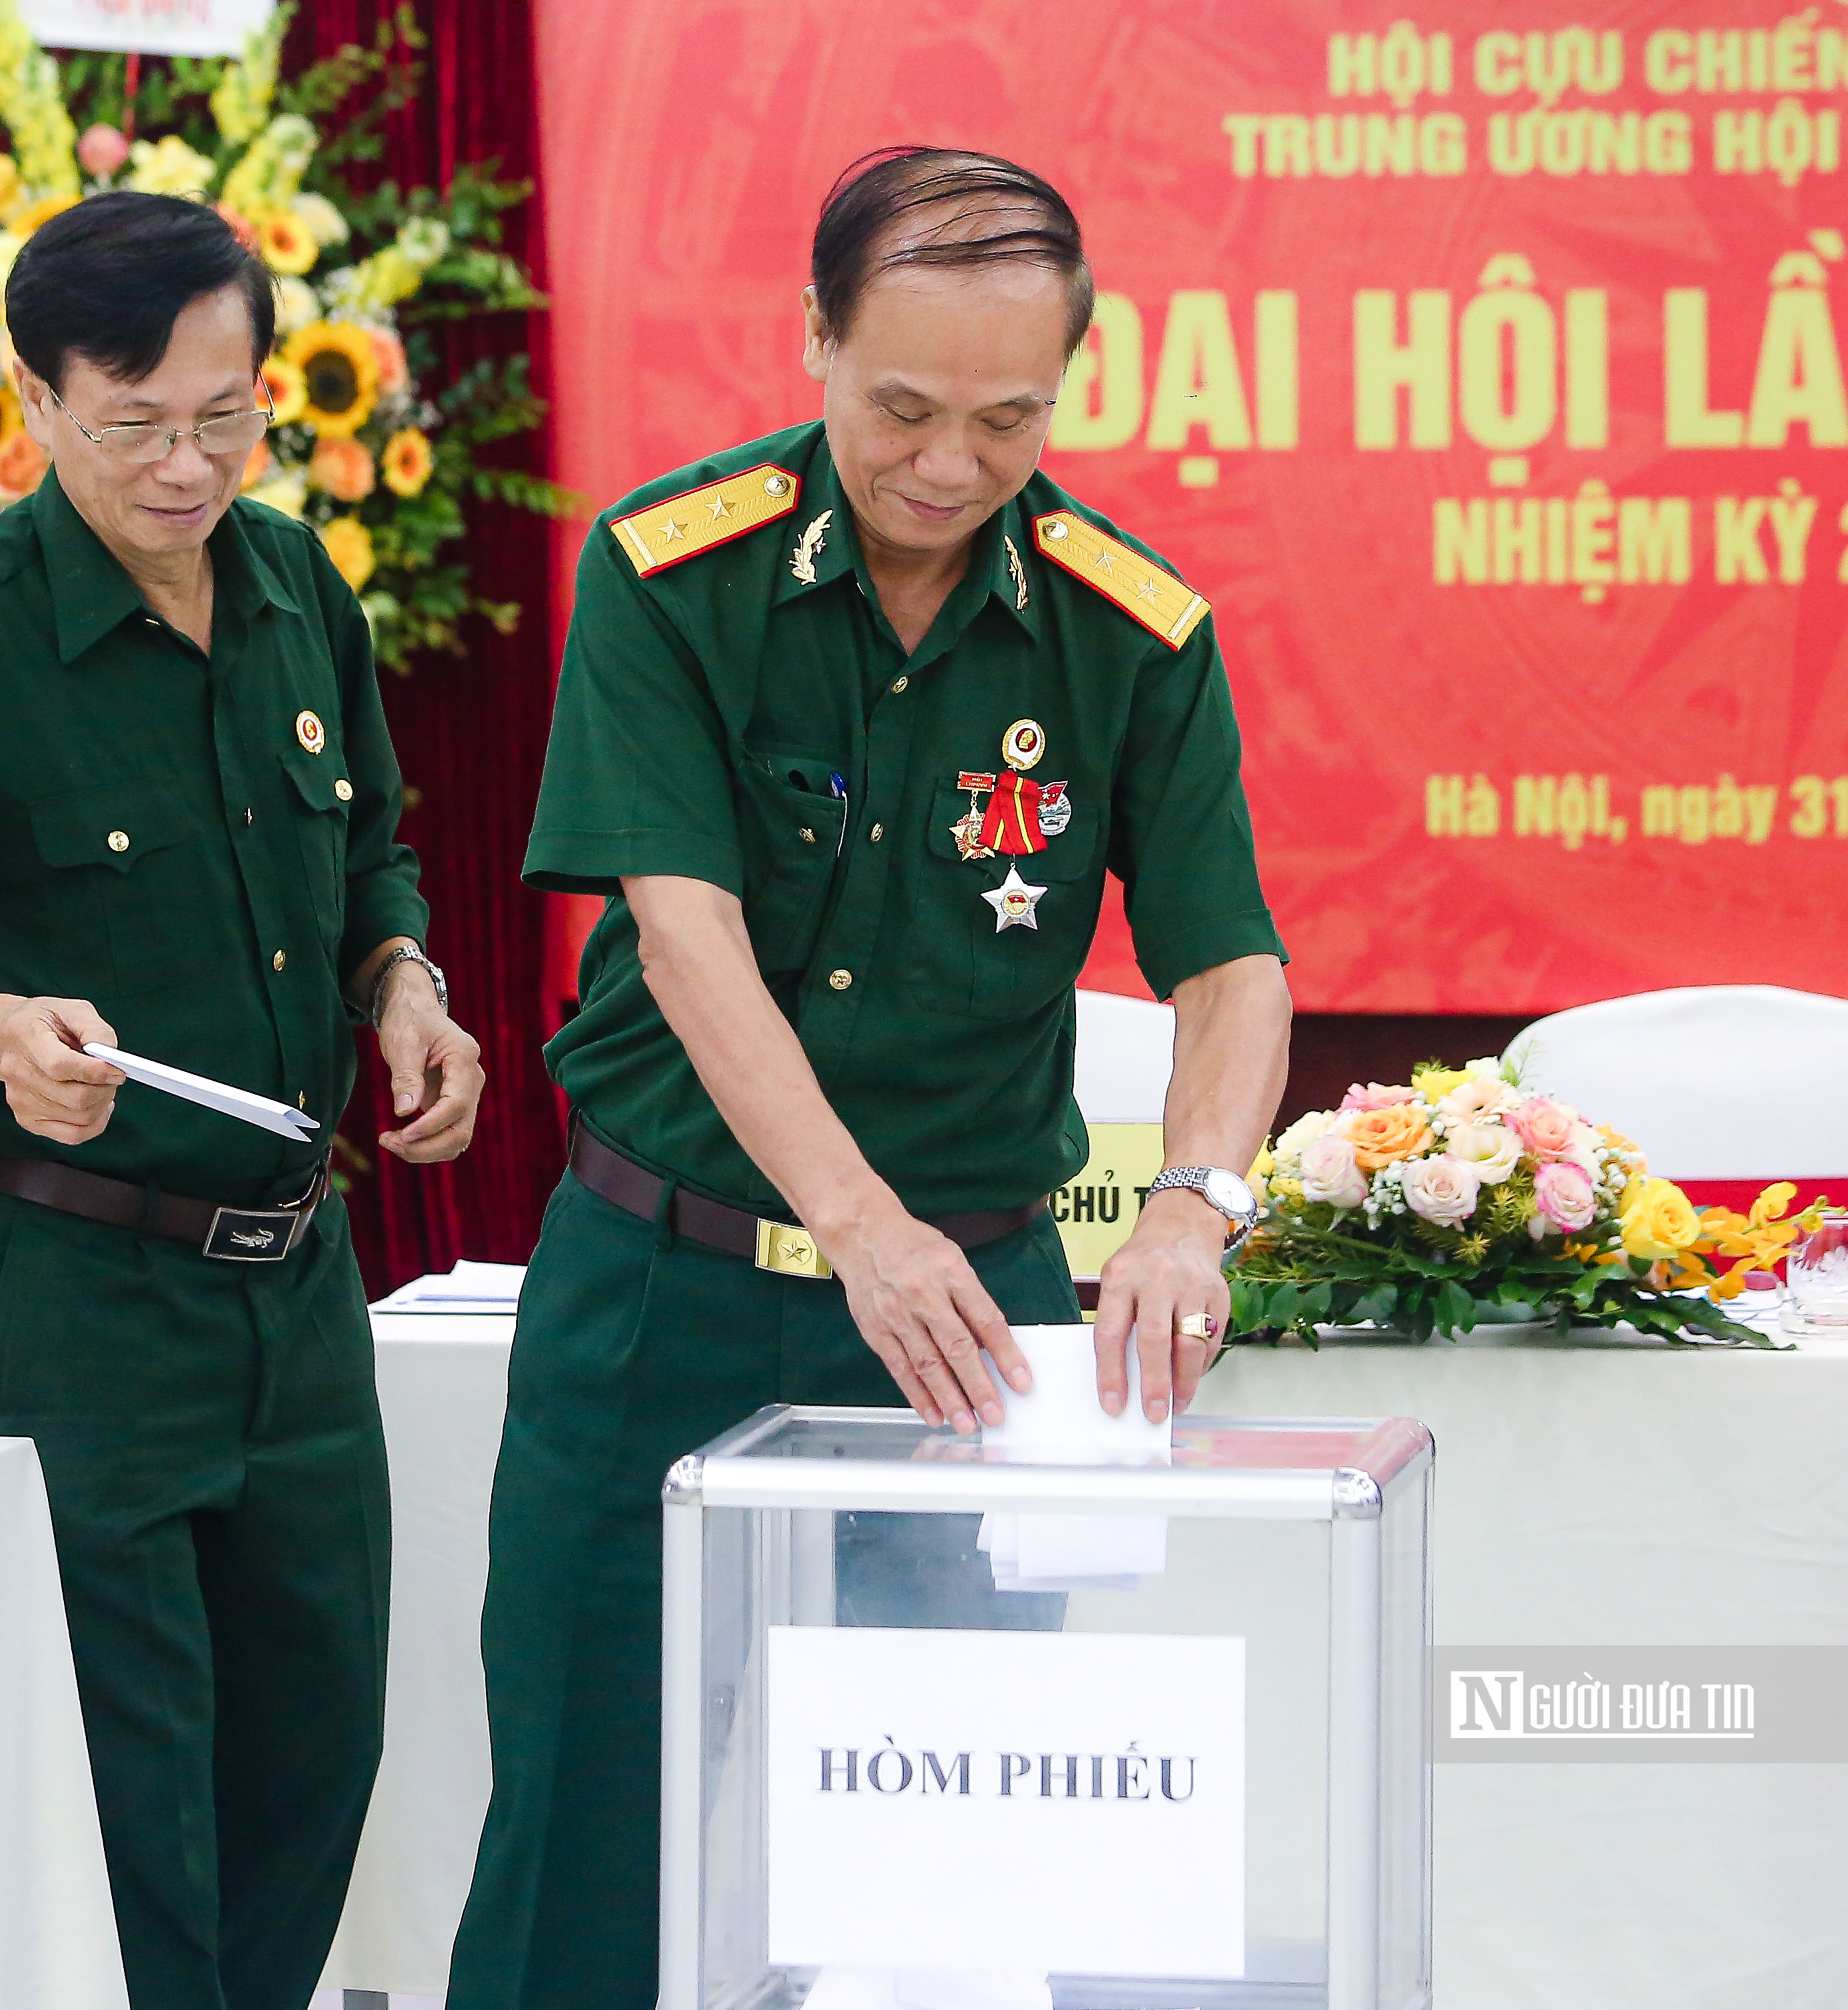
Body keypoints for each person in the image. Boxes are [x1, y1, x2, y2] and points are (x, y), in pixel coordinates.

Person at [446, 147, 1295, 2008]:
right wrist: (855, 1227)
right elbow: (685, 941)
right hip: (659, 1284)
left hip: (973, 1322)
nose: (947, 462)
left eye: (1007, 417)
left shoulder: (1127, 628)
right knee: (591, 1819)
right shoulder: (677, 577)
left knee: (959, 1836)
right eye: (901, 405)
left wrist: (1190, 1205)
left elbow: (1231, 960)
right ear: (814, 338)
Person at [0, 190, 486, 2010]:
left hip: (296, 1296)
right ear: (35, 396)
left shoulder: (296, 586)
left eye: (227, 417)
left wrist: (406, 985)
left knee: (313, 1761)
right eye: (136, 423)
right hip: (81, 1297)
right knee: (126, 1802)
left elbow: (375, 857)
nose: (188, 466)